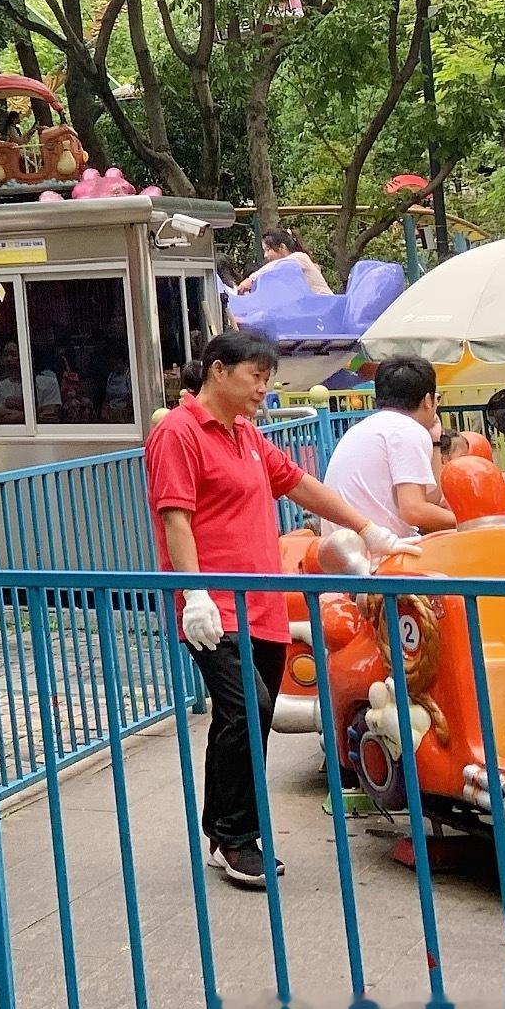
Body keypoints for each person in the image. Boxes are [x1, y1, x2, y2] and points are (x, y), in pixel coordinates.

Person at [145, 329, 408, 890]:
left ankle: (224, 830)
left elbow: (297, 483)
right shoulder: (178, 430)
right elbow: (176, 518)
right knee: (247, 708)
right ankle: (237, 838)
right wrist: (193, 594)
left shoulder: (244, 433)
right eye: (255, 376)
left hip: (259, 600)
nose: (264, 388)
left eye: (268, 378)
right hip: (214, 605)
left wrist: (370, 530)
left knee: (248, 717)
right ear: (219, 371)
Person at [319, 357, 454, 541]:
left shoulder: (365, 428)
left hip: (347, 549)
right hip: (378, 553)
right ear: (428, 400)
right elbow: (415, 512)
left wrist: (436, 441)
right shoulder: (407, 431)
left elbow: (430, 500)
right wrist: (471, 520)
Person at [233, 228, 332, 301]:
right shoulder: (283, 272)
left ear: (282, 247)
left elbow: (279, 265)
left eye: (268, 250)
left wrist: (251, 279)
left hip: (325, 307)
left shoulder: (299, 257)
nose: (265, 255)